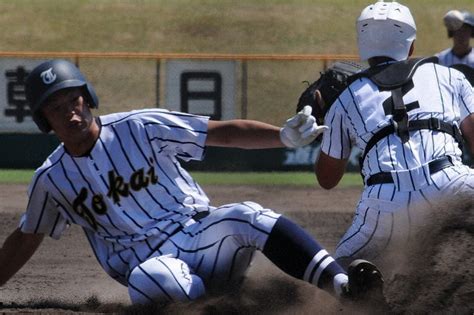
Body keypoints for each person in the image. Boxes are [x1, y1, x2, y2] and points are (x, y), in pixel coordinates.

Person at [0, 59, 383, 306]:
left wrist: (281, 138)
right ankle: (225, 307)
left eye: (74, 100)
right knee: (153, 280)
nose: (70, 113)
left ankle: (344, 287)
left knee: (248, 215)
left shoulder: (140, 126)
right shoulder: (52, 180)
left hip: (202, 235)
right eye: (56, 107)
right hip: (150, 266)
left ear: (88, 98)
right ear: (43, 121)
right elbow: (25, 237)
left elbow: (223, 134)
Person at [314, 1, 474, 269]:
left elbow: (327, 179)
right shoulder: (447, 75)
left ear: (362, 45)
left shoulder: (345, 99)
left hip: (384, 203)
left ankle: (350, 286)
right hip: (451, 182)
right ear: (410, 45)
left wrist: (325, 123)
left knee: (337, 270)